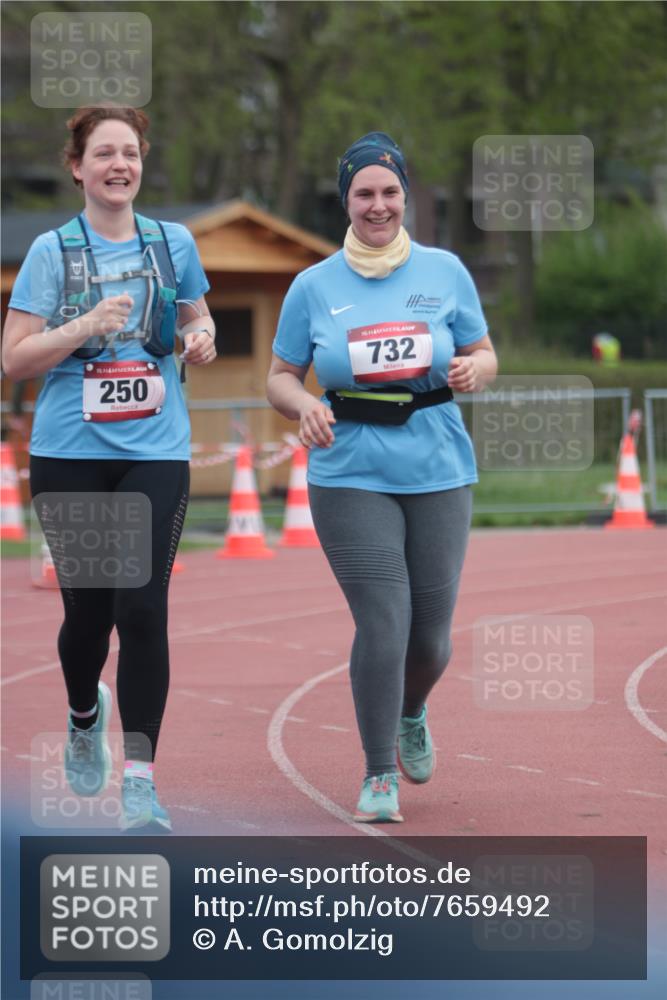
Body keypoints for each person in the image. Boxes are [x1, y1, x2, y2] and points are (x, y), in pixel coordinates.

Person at [267, 132, 497, 823]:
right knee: (384, 621)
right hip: (350, 468)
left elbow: (484, 352)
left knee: (430, 639)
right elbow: (280, 377)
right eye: (364, 193)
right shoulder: (312, 285)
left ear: (405, 199)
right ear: (345, 200)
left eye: (389, 192)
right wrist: (304, 403)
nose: (377, 205)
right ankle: (375, 776)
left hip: (436, 464)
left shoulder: (444, 271)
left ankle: (411, 709)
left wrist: (473, 370)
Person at [2, 105, 216, 831]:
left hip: (156, 449)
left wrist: (201, 336)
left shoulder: (172, 242)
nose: (118, 165)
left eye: (129, 152)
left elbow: (194, 315)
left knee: (143, 608)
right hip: (70, 454)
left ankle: (140, 780)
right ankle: (82, 711)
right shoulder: (50, 251)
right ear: (77, 167)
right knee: (88, 618)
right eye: (103, 154)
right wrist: (84, 326)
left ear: (141, 162)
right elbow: (14, 358)